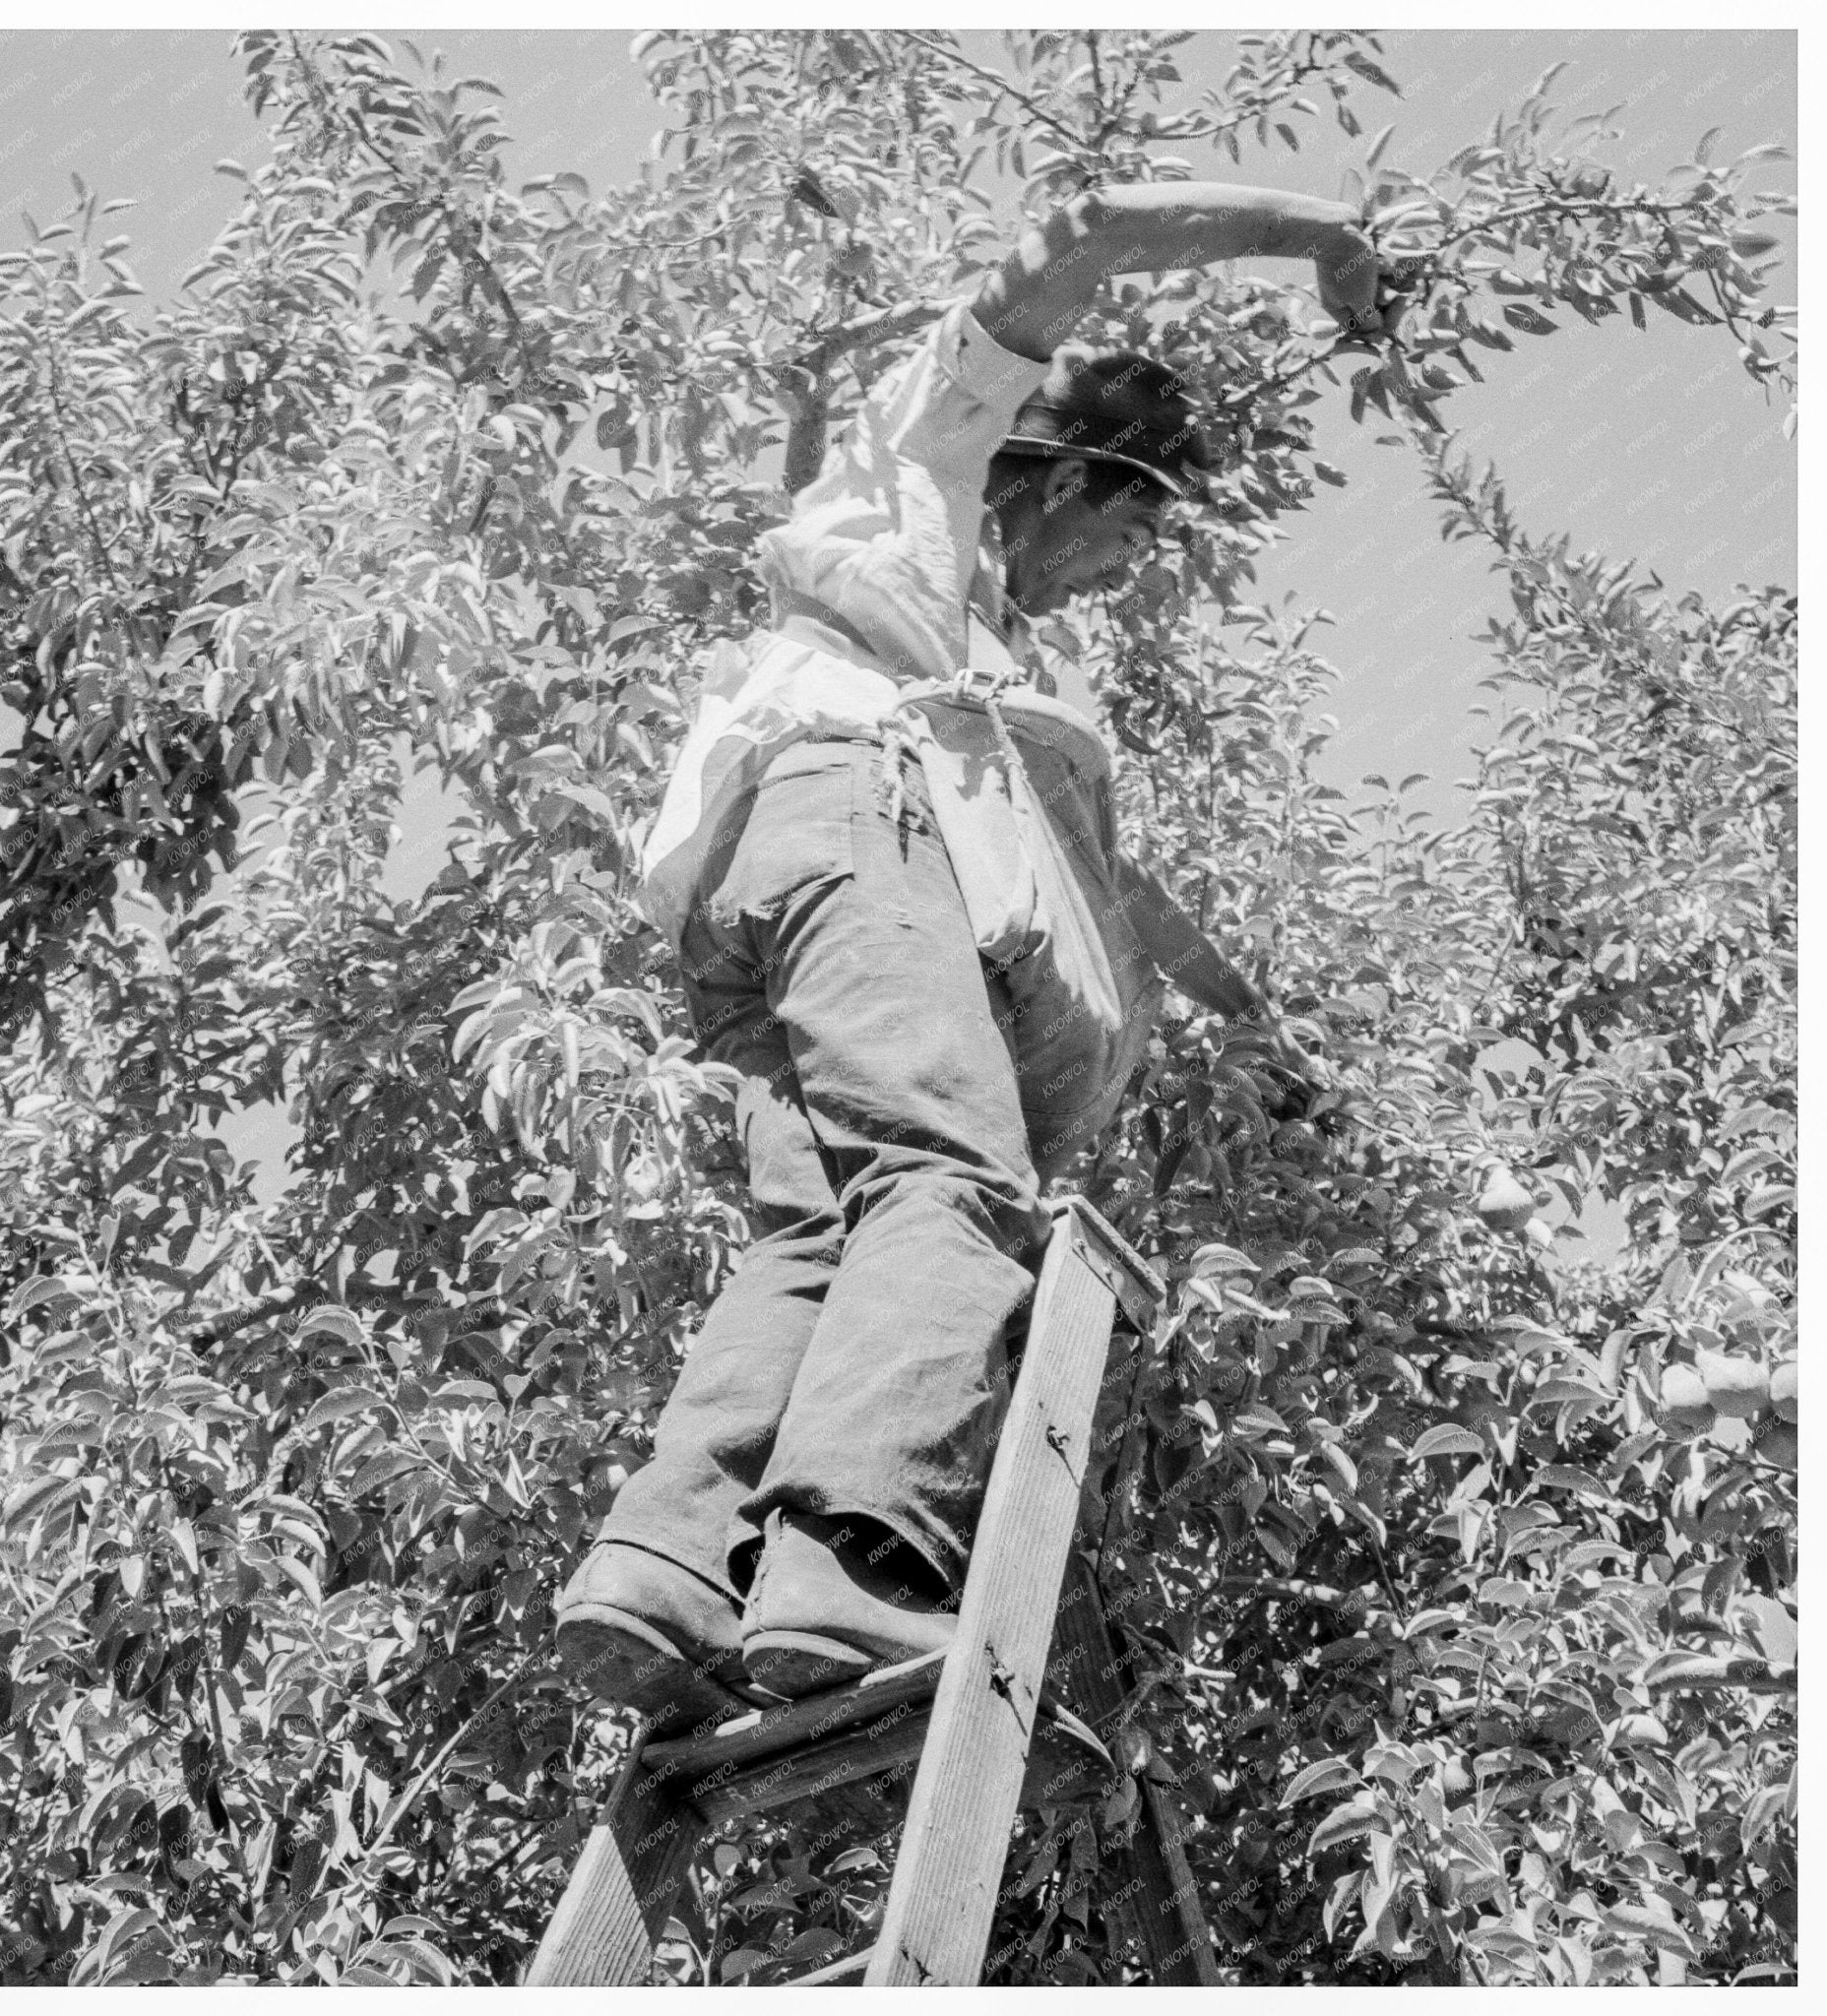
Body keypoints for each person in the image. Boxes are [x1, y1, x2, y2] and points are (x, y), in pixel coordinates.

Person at [554, 180, 1381, 1732]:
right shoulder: (915, 480)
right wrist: (1319, 234)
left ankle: (665, 1572)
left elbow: (1111, 892)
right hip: (853, 842)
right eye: (1134, 530)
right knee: (956, 1184)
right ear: (1058, 480)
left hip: (785, 905)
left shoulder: (987, 672)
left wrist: (1255, 1027)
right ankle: (847, 1570)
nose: (1130, 572)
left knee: (822, 1236)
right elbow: (1078, 229)